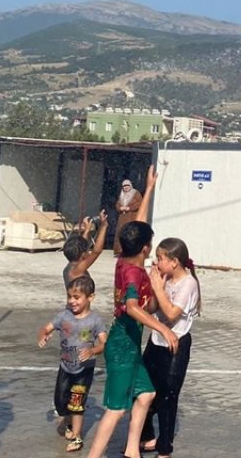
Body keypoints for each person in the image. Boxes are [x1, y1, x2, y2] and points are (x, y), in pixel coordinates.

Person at [85, 167, 174, 458]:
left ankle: (132, 451)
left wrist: (148, 188)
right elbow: (134, 308)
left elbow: (138, 222)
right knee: (115, 410)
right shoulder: (134, 275)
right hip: (122, 347)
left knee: (146, 394)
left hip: (130, 346)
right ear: (147, 248)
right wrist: (163, 328)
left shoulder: (125, 259)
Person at [140, 238, 201, 457]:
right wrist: (153, 286)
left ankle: (165, 448)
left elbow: (172, 313)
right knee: (143, 389)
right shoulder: (165, 278)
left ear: (174, 262)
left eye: (160, 258)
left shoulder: (188, 283)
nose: (157, 262)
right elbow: (153, 308)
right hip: (156, 340)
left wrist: (158, 288)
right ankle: (146, 436)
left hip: (177, 344)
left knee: (168, 396)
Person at [39, 276, 108, 454]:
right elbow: (46, 328)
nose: (72, 301)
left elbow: (104, 343)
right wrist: (44, 335)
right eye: (69, 297)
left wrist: (92, 351)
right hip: (65, 367)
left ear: (90, 297)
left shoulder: (95, 321)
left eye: (76, 297)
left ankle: (77, 437)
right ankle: (67, 419)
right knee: (61, 403)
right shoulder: (64, 316)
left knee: (77, 403)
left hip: (84, 370)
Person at [63, 211, 108, 290]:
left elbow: (81, 245)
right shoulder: (77, 269)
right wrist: (103, 226)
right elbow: (96, 251)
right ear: (83, 255)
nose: (89, 252)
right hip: (78, 302)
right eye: (87, 251)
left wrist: (87, 230)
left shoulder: (69, 267)